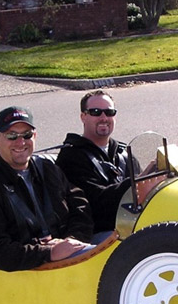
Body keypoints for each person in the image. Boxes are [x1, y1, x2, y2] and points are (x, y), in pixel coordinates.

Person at [0, 105, 94, 271]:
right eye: (12, 136)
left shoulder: (48, 168)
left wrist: (73, 240)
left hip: (71, 255)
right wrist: (49, 253)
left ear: (35, 136)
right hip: (30, 270)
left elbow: (80, 205)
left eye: (27, 135)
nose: (21, 142)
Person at [56, 90, 132, 233]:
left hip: (133, 227)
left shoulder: (123, 153)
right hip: (97, 236)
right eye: (96, 112)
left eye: (109, 112)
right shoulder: (71, 156)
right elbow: (95, 203)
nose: (104, 117)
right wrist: (137, 183)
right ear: (83, 116)